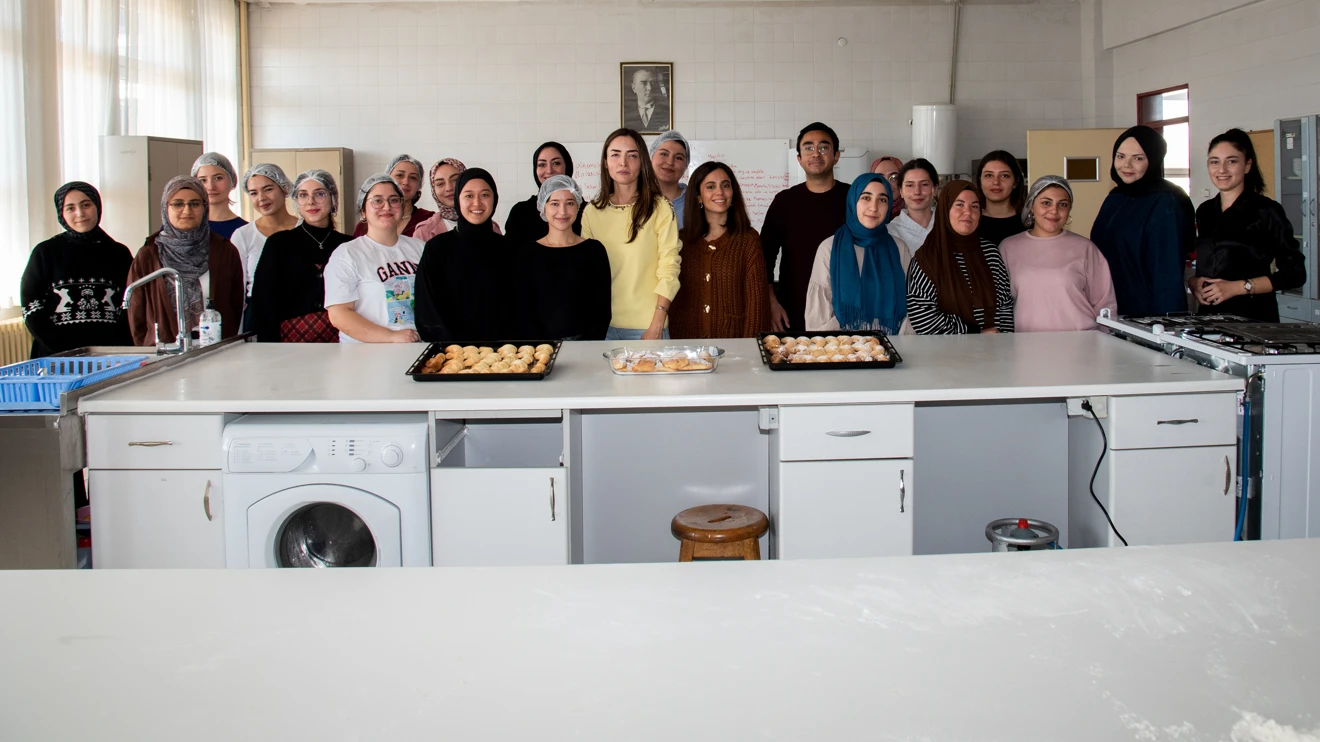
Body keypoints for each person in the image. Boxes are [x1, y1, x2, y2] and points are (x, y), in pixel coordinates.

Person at [1189, 128, 1306, 322]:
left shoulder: (1267, 211)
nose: (1222, 170)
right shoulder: (1205, 211)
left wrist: (1237, 287)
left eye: (1232, 161)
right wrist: (1194, 283)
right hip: (1209, 318)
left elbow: (1295, 274)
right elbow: (1208, 264)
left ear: (1247, 166)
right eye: (1214, 162)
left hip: (1253, 318)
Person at [580, 128, 681, 340]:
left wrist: (656, 324)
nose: (623, 163)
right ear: (606, 162)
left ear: (642, 162)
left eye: (632, 155)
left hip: (647, 327)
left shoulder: (660, 207)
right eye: (615, 154)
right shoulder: (592, 211)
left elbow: (669, 268)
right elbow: (587, 273)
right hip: (602, 327)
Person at [1090, 125, 1196, 316]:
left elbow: (1167, 275)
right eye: (1121, 156)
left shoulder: (1165, 202)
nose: (1126, 165)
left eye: (1138, 158)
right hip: (1108, 309)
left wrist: (1167, 329)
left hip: (1146, 316)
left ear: (1154, 160)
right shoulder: (1115, 198)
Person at [126, 176, 244, 346]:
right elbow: (136, 311)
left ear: (205, 208)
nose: (187, 211)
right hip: (164, 352)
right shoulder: (149, 254)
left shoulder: (224, 251)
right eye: (178, 204)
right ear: (166, 208)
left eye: (195, 204)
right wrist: (148, 348)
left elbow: (234, 306)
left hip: (215, 352)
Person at [21, 181, 134, 357]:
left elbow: (130, 304)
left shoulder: (118, 253)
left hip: (110, 356)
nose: (80, 213)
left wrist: (115, 348)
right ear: (61, 214)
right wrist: (61, 349)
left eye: (86, 205)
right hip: (57, 357)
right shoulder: (45, 252)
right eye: (70, 208)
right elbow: (31, 305)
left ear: (97, 206)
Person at [761, 122, 850, 331]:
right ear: (799, 159)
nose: (816, 153)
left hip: (845, 309)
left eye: (824, 147)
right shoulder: (784, 202)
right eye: (808, 147)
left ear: (836, 156)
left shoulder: (855, 199)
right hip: (793, 311)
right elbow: (764, 257)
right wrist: (772, 303)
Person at [1000, 176, 1116, 332]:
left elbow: (1105, 304)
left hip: (1081, 345)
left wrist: (1105, 345)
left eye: (1063, 204)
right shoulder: (1008, 248)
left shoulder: (1085, 248)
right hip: (1027, 346)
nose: (1054, 211)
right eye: (1046, 203)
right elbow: (1000, 305)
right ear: (1031, 206)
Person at [248, 169, 352, 343]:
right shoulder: (278, 243)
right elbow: (263, 301)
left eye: (319, 194)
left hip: (342, 338)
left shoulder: (348, 245)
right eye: (303, 195)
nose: (311, 202)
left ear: (333, 198)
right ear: (296, 202)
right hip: (289, 344)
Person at [804, 173, 912, 334]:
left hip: (892, 348)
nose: (873, 207)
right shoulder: (829, 248)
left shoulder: (899, 249)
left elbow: (910, 308)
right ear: (853, 201)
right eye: (866, 198)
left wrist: (895, 348)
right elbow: (819, 317)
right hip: (841, 350)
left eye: (882, 199)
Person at [670, 162, 768, 339]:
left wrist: (750, 350)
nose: (720, 192)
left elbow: (757, 304)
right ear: (698, 197)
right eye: (710, 186)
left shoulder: (748, 239)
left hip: (734, 346)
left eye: (726, 185)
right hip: (687, 346)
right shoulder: (681, 240)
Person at [413, 169, 514, 342]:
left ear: (494, 199)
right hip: (452, 356)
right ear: (458, 200)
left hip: (503, 354)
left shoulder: (510, 249)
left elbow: (519, 307)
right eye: (468, 196)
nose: (477, 203)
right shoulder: (437, 249)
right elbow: (427, 310)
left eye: (484, 195)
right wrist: (452, 350)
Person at [324, 174, 424, 343]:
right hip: (365, 354)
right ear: (363, 210)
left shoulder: (420, 248)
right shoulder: (348, 254)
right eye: (377, 201)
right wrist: (392, 337)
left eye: (393, 200)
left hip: (415, 348)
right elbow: (339, 314)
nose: (387, 207)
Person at [907, 180, 1014, 335]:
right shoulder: (928, 258)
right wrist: (975, 333)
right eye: (959, 205)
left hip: (993, 351)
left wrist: (999, 339)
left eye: (975, 206)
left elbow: (1005, 307)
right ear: (945, 209)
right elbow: (922, 317)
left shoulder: (990, 253)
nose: (968, 212)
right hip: (945, 353)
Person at [511, 175, 612, 341]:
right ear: (543, 207)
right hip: (540, 350)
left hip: (585, 349)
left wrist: (585, 347)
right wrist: (542, 349)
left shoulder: (594, 251)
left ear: (578, 205)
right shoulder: (527, 253)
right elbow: (523, 311)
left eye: (570, 203)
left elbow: (601, 311)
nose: (563, 211)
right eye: (555, 203)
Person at [230, 163, 296, 309]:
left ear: (284, 188)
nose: (261, 198)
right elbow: (237, 289)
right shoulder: (243, 235)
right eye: (254, 193)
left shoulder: (305, 229)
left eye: (268, 189)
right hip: (259, 313)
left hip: (301, 315)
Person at [503, 142, 581, 246]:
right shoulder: (520, 213)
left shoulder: (587, 211)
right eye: (542, 165)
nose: (549, 170)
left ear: (568, 165)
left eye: (556, 163)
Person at [412, 158, 504, 242]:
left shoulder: (492, 227)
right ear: (433, 190)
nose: (449, 188)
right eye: (440, 184)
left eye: (455, 180)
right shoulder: (424, 232)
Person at [352, 154, 433, 238]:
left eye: (413, 177)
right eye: (400, 175)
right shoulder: (364, 226)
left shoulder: (429, 220)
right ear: (387, 178)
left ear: (419, 185)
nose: (406, 182)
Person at [976, 150, 1028, 247]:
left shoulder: (1028, 223)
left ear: (1016, 182)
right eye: (989, 175)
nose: (996, 182)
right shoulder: (970, 221)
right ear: (980, 181)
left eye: (1004, 175)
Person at [887, 158, 939, 255]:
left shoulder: (948, 224)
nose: (917, 192)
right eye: (910, 185)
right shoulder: (891, 231)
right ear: (901, 191)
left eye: (924, 184)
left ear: (935, 189)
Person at [191, 152, 246, 239]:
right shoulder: (183, 225)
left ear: (231, 180)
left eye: (218, 178)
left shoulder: (246, 231)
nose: (211, 187)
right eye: (203, 180)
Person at [650, 130, 690, 229]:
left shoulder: (695, 201)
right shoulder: (634, 198)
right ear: (650, 158)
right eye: (664, 154)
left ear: (686, 166)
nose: (670, 162)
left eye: (679, 158)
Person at [623, 67, 670, 133]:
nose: (649, 88)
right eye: (643, 83)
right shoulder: (626, 115)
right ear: (634, 88)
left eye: (652, 83)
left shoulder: (667, 112)